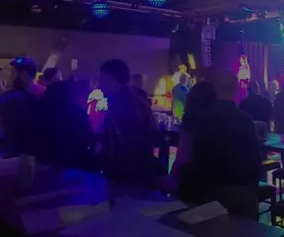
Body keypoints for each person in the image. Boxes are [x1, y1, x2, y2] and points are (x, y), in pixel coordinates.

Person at [174, 71, 262, 218]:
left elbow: (197, 157)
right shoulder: (245, 120)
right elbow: (255, 160)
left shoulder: (203, 120)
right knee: (245, 227)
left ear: (216, 89)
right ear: (236, 91)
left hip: (210, 191)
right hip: (241, 190)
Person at [98, 59, 161, 185]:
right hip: (140, 169)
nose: (100, 84)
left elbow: (122, 141)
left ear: (114, 79)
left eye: (103, 79)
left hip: (127, 173)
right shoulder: (134, 99)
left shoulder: (122, 104)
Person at [37, 81, 95, 169]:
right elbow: (88, 136)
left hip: (44, 162)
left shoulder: (40, 112)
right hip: (73, 163)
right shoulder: (78, 112)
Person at [0, 58, 40, 155]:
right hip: (30, 152)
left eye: (13, 73)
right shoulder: (42, 93)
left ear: (24, 75)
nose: (10, 77)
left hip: (19, 152)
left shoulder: (12, 97)